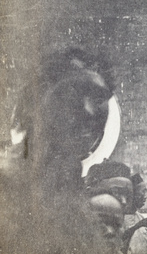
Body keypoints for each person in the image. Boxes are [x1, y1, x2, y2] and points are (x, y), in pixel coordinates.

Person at [0, 48, 120, 254]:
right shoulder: (7, 183)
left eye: (98, 99)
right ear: (36, 105)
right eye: (72, 94)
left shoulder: (71, 191)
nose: (90, 112)